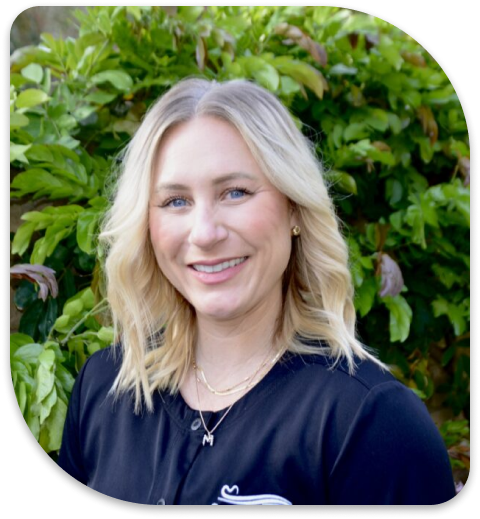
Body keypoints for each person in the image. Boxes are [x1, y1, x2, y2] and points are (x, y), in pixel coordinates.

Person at [57, 76, 456, 505]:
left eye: (235, 192)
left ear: (294, 209)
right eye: (176, 200)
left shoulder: (370, 424)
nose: (205, 233)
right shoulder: (105, 388)